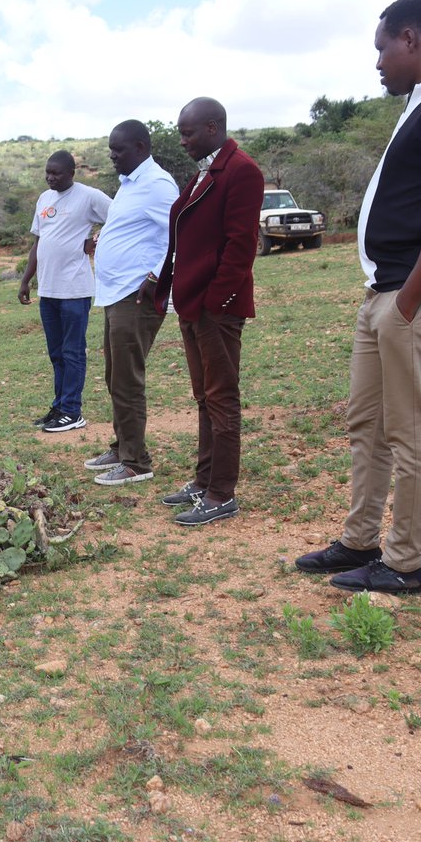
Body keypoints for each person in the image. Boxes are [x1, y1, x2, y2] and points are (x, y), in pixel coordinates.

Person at [296, 0, 421, 594]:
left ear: (411, 39)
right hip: (390, 291)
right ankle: (359, 539)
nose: (377, 61)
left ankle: (404, 563)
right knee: (370, 425)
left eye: (381, 47)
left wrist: (407, 303)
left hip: (419, 297)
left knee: (412, 431)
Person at [152, 98, 262, 526]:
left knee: (221, 398)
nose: (181, 141)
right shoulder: (205, 172)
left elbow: (241, 245)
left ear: (213, 128)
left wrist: (218, 300)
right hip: (193, 303)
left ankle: (221, 493)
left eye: (188, 133)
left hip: (214, 307)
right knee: (204, 397)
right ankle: (203, 482)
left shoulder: (241, 171)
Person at [85, 120, 179, 486]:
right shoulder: (130, 184)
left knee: (127, 377)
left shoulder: (156, 184)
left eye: (118, 150)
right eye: (110, 150)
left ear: (140, 147)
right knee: (115, 374)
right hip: (115, 293)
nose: (112, 156)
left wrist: (157, 275)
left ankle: (136, 461)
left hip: (136, 295)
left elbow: (179, 233)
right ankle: (122, 444)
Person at [19, 150, 112, 432]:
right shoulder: (44, 199)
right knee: (56, 353)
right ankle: (59, 406)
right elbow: (38, 242)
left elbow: (120, 217)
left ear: (72, 172)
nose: (50, 177)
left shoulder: (88, 196)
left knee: (73, 352)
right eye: (47, 172)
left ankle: (73, 411)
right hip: (48, 290)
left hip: (74, 289)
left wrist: (95, 240)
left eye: (56, 173)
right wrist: (26, 280)